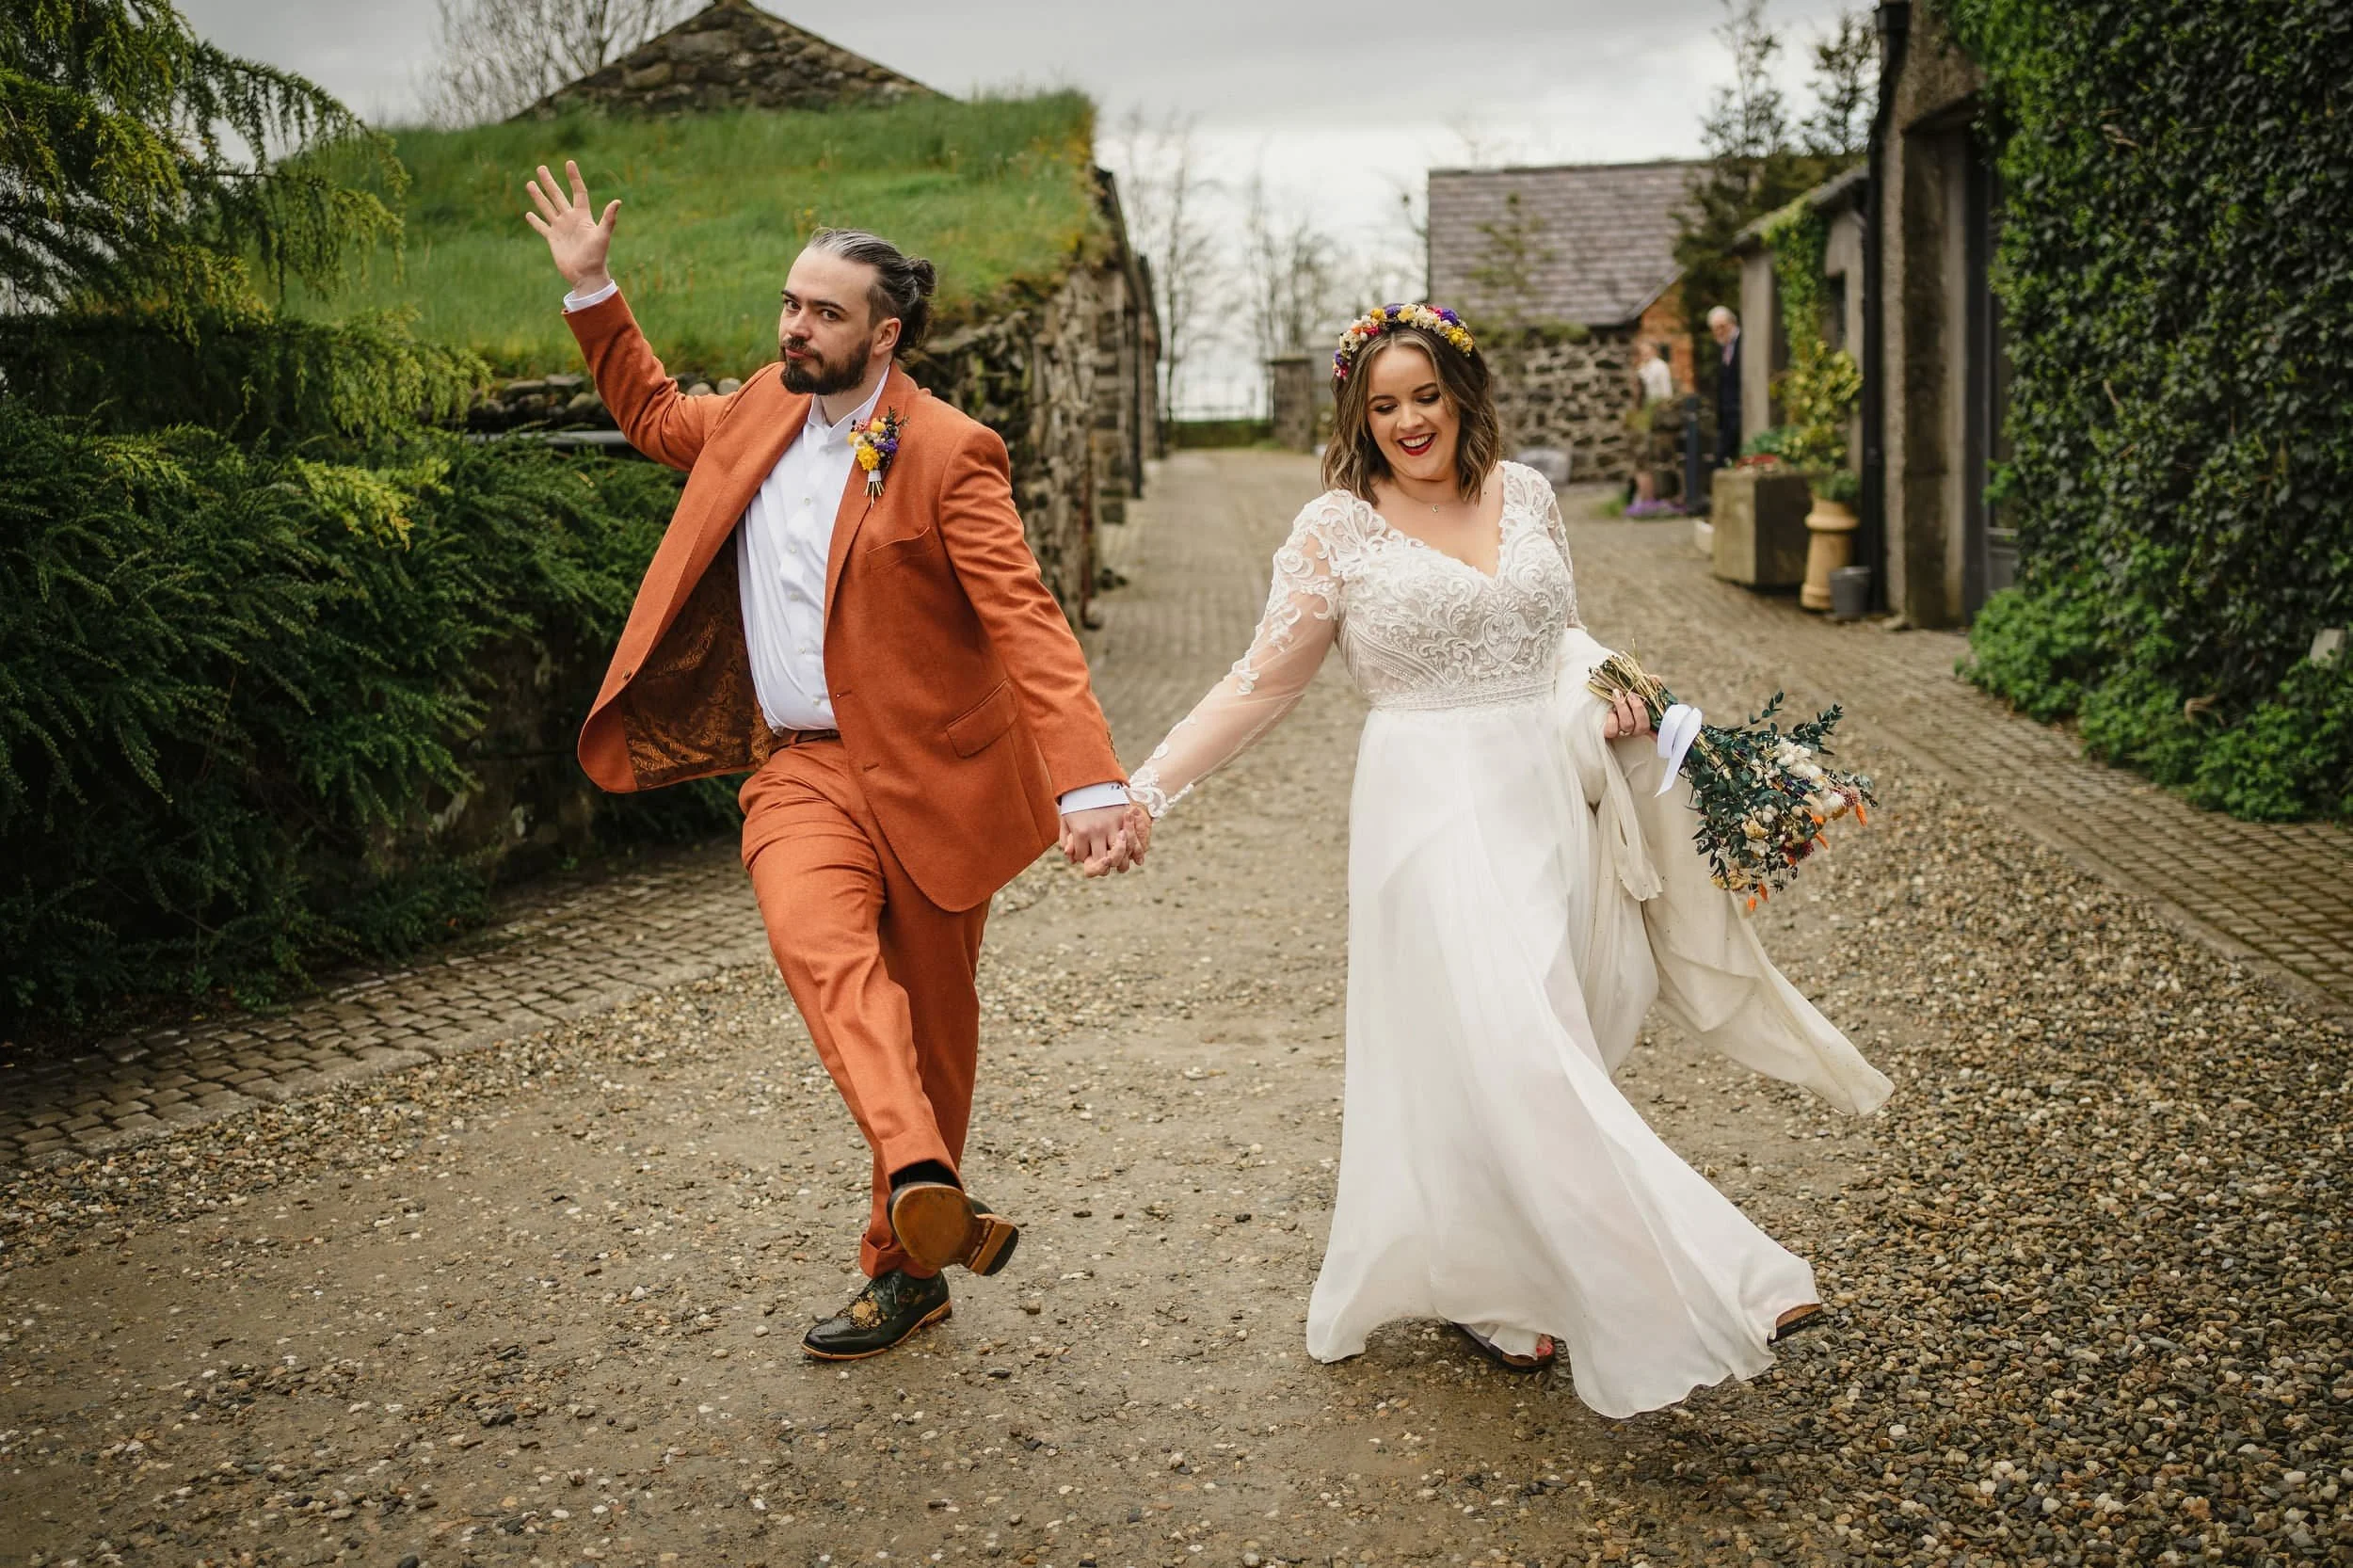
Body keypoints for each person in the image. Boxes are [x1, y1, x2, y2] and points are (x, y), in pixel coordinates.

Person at [1111, 303, 1891, 1416]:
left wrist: (1613, 691)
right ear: (1356, 415)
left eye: (1424, 395)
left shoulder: (1524, 493)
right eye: (1382, 405)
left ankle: (1489, 1279)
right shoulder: (1336, 528)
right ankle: (1730, 1281)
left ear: (1462, 392)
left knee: (1535, 1036)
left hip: (1544, 797)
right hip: (1425, 806)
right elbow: (1259, 684)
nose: (1407, 421)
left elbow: (1558, 635)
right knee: (1521, 1044)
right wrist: (1143, 789)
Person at [523, 161, 1151, 1361]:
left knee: (936, 1034)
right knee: (820, 951)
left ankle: (906, 1265)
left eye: (821, 313)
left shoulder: (951, 450)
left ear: (884, 331)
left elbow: (1025, 617)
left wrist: (1087, 778)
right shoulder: (758, 408)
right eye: (788, 306)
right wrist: (592, 290)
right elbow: (657, 416)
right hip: (801, 768)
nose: (793, 327)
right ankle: (923, 1173)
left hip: (934, 775)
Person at [1627, 339, 1678, 515]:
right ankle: (1645, 499)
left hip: (1656, 412)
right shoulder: (1643, 368)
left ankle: (1659, 497)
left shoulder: (1659, 367)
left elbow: (1665, 392)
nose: (1644, 354)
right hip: (1644, 414)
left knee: (1656, 455)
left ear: (1654, 350)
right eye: (1642, 351)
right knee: (1642, 458)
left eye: (1647, 350)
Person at [1709, 305, 1743, 467]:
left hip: (1740, 408)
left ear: (1732, 323)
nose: (1719, 332)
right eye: (1715, 329)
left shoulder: (1743, 343)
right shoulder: (1723, 349)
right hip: (1727, 412)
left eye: (1722, 327)